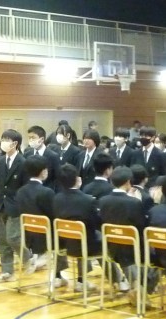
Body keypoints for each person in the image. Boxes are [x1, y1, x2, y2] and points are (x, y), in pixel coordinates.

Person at [0, 128, 32, 283]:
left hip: (16, 207)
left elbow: (26, 187)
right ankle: (7, 272)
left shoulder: (23, 162)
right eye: (2, 139)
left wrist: (24, 207)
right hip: (1, 205)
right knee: (2, 240)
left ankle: (28, 257)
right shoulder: (1, 161)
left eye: (6, 140)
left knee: (13, 237)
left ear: (15, 143)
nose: (3, 142)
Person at [53, 163, 102, 291]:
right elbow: (96, 223)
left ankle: (59, 276)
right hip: (85, 245)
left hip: (64, 243)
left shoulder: (56, 198)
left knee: (79, 234)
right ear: (77, 179)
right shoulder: (88, 200)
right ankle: (118, 280)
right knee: (102, 238)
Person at [14, 154, 57, 276]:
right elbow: (53, 216)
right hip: (46, 238)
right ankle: (58, 275)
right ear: (43, 172)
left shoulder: (20, 191)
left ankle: (38, 258)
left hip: (27, 237)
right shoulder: (47, 192)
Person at [25, 125, 60, 191]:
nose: (31, 140)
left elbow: (57, 178)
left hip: (47, 191)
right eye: (29, 138)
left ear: (42, 139)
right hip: (30, 192)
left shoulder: (53, 156)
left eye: (33, 137)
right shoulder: (27, 154)